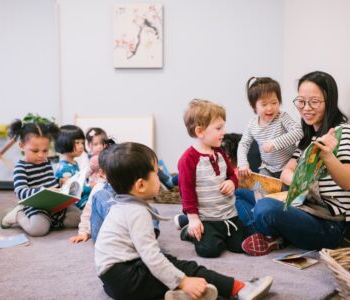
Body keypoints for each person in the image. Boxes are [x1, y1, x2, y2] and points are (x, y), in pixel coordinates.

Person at [95, 142, 273, 300]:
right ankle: (239, 289)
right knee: (187, 269)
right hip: (128, 278)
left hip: (112, 282)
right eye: (156, 174)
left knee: (168, 263)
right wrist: (184, 281)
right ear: (140, 185)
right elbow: (152, 258)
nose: (160, 179)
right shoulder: (136, 212)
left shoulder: (120, 206)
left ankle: (174, 294)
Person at [237, 71, 350, 255]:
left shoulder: (343, 133)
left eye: (314, 102)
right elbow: (287, 171)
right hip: (302, 205)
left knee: (265, 207)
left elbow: (348, 181)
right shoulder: (309, 136)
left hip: (331, 224)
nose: (306, 108)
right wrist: (301, 182)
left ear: (330, 101)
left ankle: (265, 232)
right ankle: (271, 235)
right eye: (301, 101)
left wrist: (327, 156)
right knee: (239, 191)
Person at [176, 99, 249, 258]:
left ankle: (219, 234)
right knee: (209, 251)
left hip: (229, 215)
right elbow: (186, 192)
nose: (224, 132)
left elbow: (231, 175)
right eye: (218, 128)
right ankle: (189, 230)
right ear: (200, 132)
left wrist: (231, 182)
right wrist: (194, 219)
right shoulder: (188, 159)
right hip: (206, 218)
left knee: (241, 245)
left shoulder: (220, 152)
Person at [0, 119, 81, 236]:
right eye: (35, 151)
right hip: (36, 207)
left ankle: (52, 221)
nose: (41, 155)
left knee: (81, 218)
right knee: (38, 230)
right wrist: (43, 191)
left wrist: (61, 182)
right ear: (21, 146)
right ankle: (18, 214)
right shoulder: (20, 168)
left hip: (55, 205)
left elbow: (49, 182)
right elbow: (21, 192)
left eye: (45, 151)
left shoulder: (45, 161)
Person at [70, 144, 161, 243]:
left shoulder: (131, 188)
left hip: (131, 230)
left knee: (152, 210)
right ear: (103, 174)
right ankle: (126, 235)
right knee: (101, 196)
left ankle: (145, 239)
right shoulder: (100, 189)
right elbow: (87, 212)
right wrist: (83, 232)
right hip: (106, 234)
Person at [237, 77, 303, 179]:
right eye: (264, 104)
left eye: (274, 103)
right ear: (253, 106)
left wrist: (275, 143)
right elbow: (243, 144)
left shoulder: (282, 117)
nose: (270, 108)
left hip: (289, 166)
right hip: (267, 168)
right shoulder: (252, 124)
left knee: (286, 191)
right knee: (260, 191)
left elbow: (299, 131)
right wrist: (242, 163)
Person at [55, 125, 92, 209]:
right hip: (77, 204)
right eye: (77, 143)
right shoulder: (64, 168)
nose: (81, 146)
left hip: (83, 199)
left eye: (82, 142)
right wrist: (90, 187)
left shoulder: (73, 162)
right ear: (64, 143)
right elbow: (74, 191)